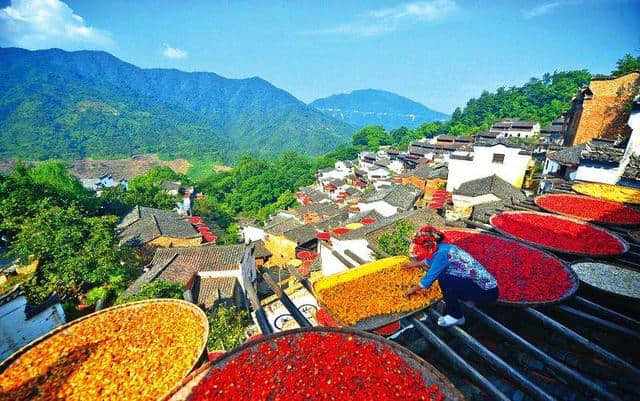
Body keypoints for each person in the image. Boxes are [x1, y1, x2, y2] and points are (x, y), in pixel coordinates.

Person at [403, 225, 498, 327]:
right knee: (447, 276)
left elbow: (428, 280)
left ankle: (456, 316)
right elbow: (430, 260)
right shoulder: (445, 247)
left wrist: (409, 291)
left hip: (487, 293)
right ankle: (470, 299)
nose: (421, 248)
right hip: (487, 288)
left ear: (430, 245)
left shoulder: (442, 254)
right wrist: (412, 265)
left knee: (444, 279)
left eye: (422, 246)